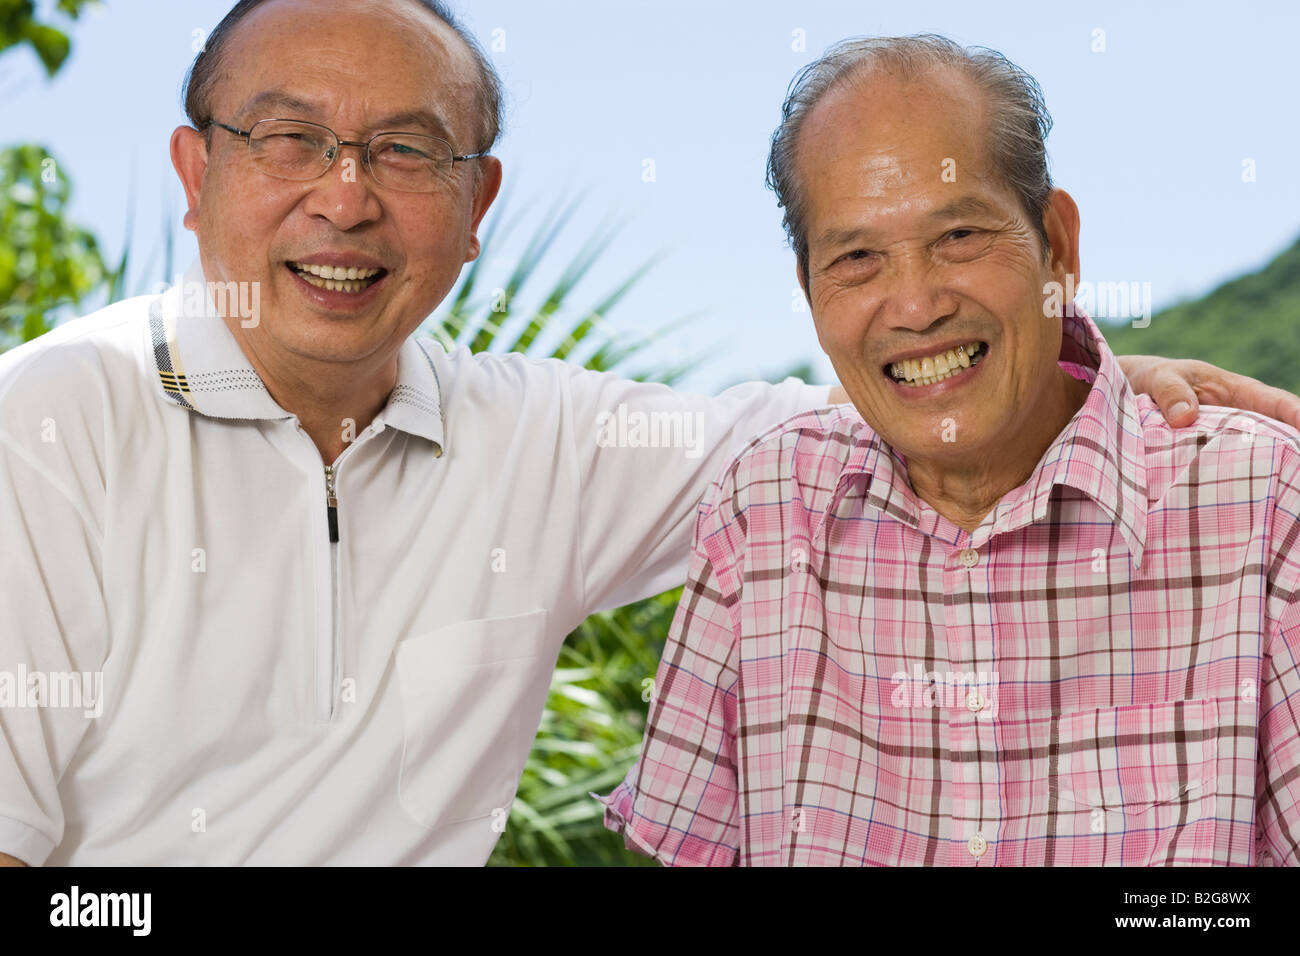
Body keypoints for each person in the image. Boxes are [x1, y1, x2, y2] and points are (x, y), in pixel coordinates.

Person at [0, 3, 1287, 866]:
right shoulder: (47, 426)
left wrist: (1080, 364)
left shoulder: (555, 442)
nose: (346, 195)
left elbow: (905, 406)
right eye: (290, 139)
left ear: (475, 200)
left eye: (406, 150)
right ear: (194, 169)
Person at [600, 34, 1300, 866]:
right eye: (857, 257)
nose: (917, 304)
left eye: (960, 236)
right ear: (810, 291)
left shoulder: (1262, 504)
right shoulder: (765, 508)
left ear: (1058, 247)